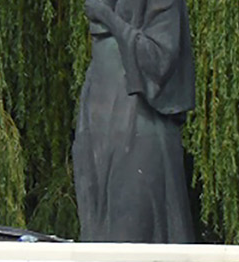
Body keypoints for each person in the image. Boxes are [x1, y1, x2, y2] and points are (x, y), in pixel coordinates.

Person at [73, 0, 196, 243]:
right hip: (100, 108)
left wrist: (109, 18)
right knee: (98, 221)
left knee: (134, 214)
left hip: (139, 113)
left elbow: (159, 58)